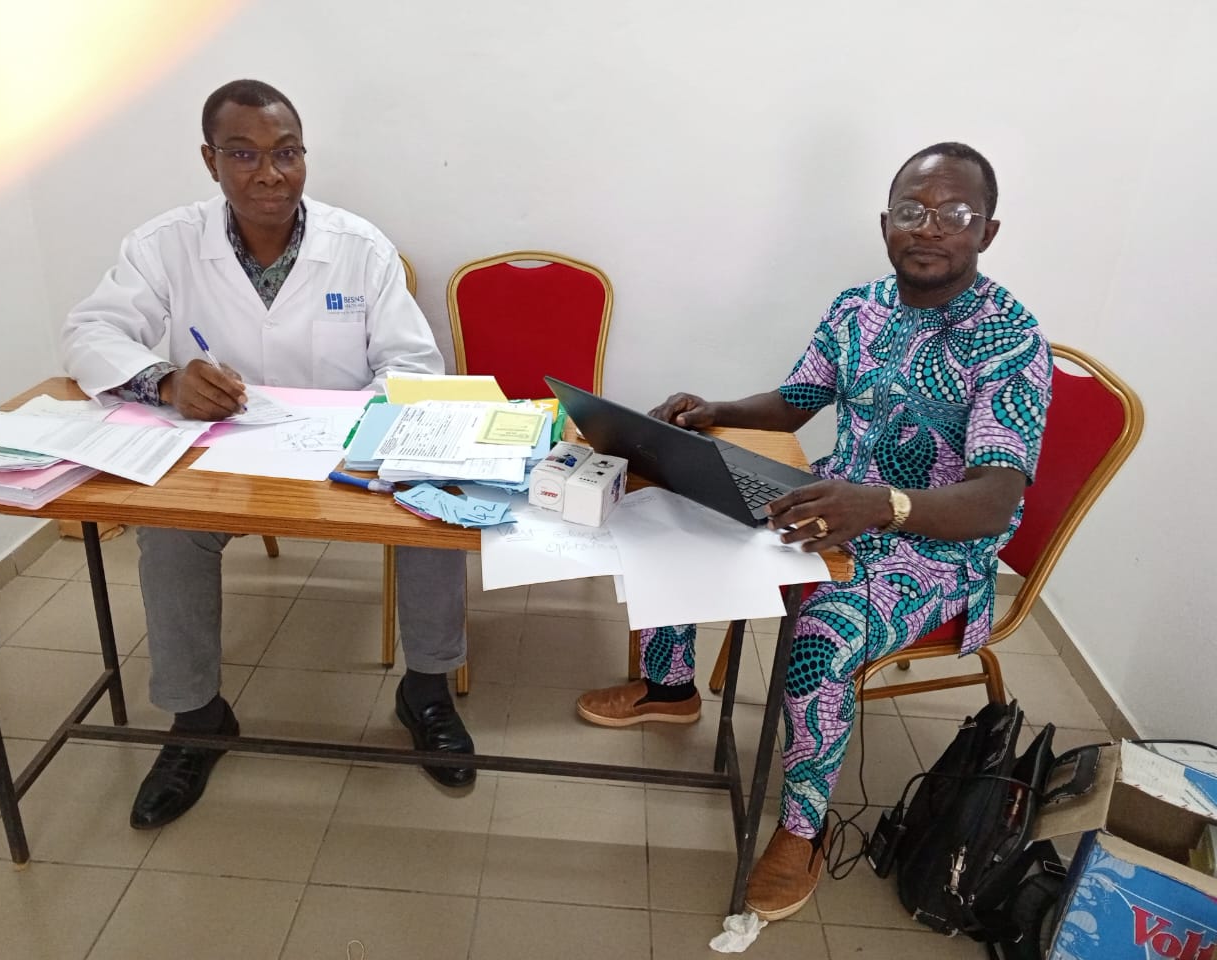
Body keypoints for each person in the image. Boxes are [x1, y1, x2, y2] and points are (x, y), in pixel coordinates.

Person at [576, 142, 1052, 920]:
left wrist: (883, 505)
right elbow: (798, 401)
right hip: (833, 496)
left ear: (987, 232)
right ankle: (669, 685)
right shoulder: (858, 307)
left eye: (955, 213)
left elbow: (995, 501)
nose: (929, 227)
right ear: (885, 223)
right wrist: (716, 412)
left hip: (933, 547)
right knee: (681, 501)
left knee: (822, 630)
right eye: (911, 210)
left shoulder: (1009, 338)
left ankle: (803, 829)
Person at [61, 79, 476, 831]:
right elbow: (91, 332)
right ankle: (197, 717)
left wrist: (366, 421)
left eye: (286, 153)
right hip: (226, 454)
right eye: (244, 155)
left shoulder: (359, 247)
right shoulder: (164, 244)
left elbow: (414, 363)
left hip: (343, 456)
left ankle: (426, 689)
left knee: (430, 504)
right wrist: (165, 381)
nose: (270, 174)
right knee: (168, 531)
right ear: (210, 160)